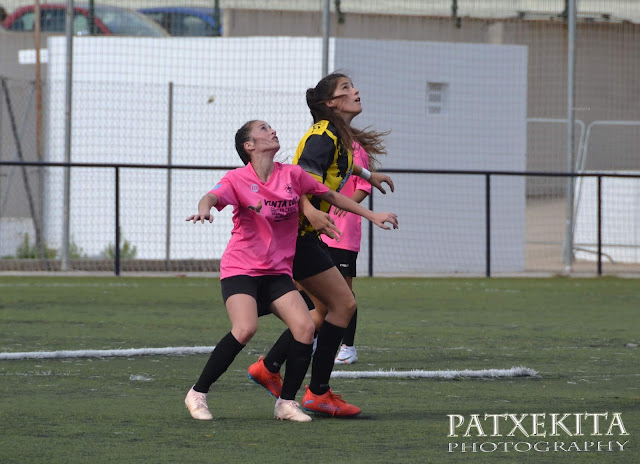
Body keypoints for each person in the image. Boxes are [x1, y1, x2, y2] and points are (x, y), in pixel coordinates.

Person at [184, 119, 398, 422]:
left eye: (270, 127)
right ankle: (197, 393)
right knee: (245, 328)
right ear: (249, 146)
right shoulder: (237, 179)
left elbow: (331, 195)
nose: (272, 131)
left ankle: (286, 403)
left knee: (305, 327)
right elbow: (212, 196)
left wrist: (371, 214)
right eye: (263, 129)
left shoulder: (292, 175)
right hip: (242, 269)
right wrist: (204, 209)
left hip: (277, 273)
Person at [248, 72, 395, 417]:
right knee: (342, 304)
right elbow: (296, 180)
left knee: (323, 310)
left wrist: (368, 176)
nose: (355, 91)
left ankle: (271, 368)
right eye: (346, 88)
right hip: (295, 235)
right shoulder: (322, 137)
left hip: (299, 235)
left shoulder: (333, 136)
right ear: (331, 103)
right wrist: (311, 211)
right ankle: (316, 392)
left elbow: (341, 166)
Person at [324, 141, 379, 365]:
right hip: (319, 229)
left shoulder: (356, 150)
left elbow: (364, 186)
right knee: (315, 289)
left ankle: (348, 347)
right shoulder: (323, 145)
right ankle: (316, 338)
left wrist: (345, 204)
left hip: (343, 233)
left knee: (344, 293)